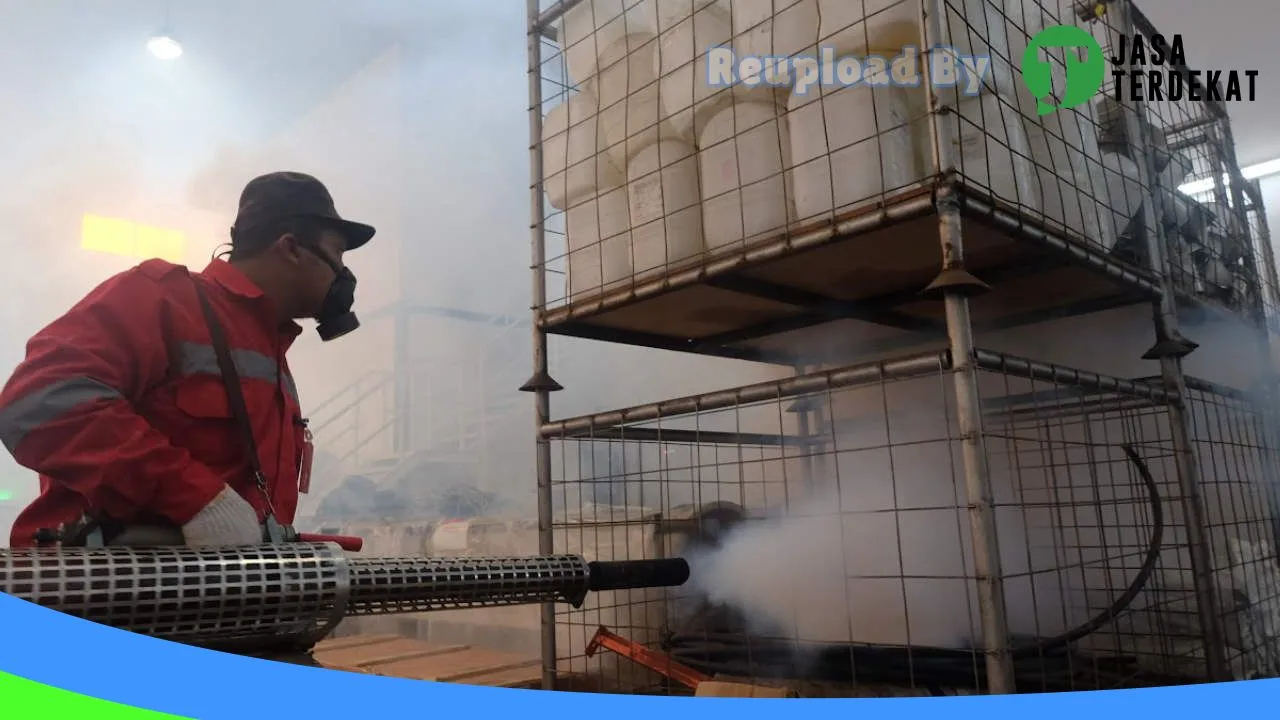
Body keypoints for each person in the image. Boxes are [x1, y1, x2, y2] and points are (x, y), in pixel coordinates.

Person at [0, 172, 375, 549]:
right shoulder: (163, 299)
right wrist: (195, 499)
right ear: (291, 248)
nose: (343, 274)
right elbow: (36, 403)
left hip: (197, 600)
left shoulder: (271, 349)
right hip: (89, 595)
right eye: (338, 254)